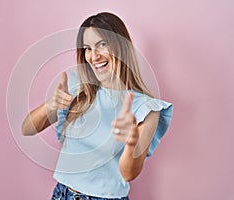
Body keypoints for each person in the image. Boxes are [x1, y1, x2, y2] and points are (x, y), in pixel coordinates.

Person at [21, 12, 173, 200]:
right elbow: (26, 128)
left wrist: (132, 142)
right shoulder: (77, 87)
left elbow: (128, 174)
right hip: (62, 194)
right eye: (87, 48)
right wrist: (51, 106)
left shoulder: (145, 108)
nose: (94, 56)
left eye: (102, 44)